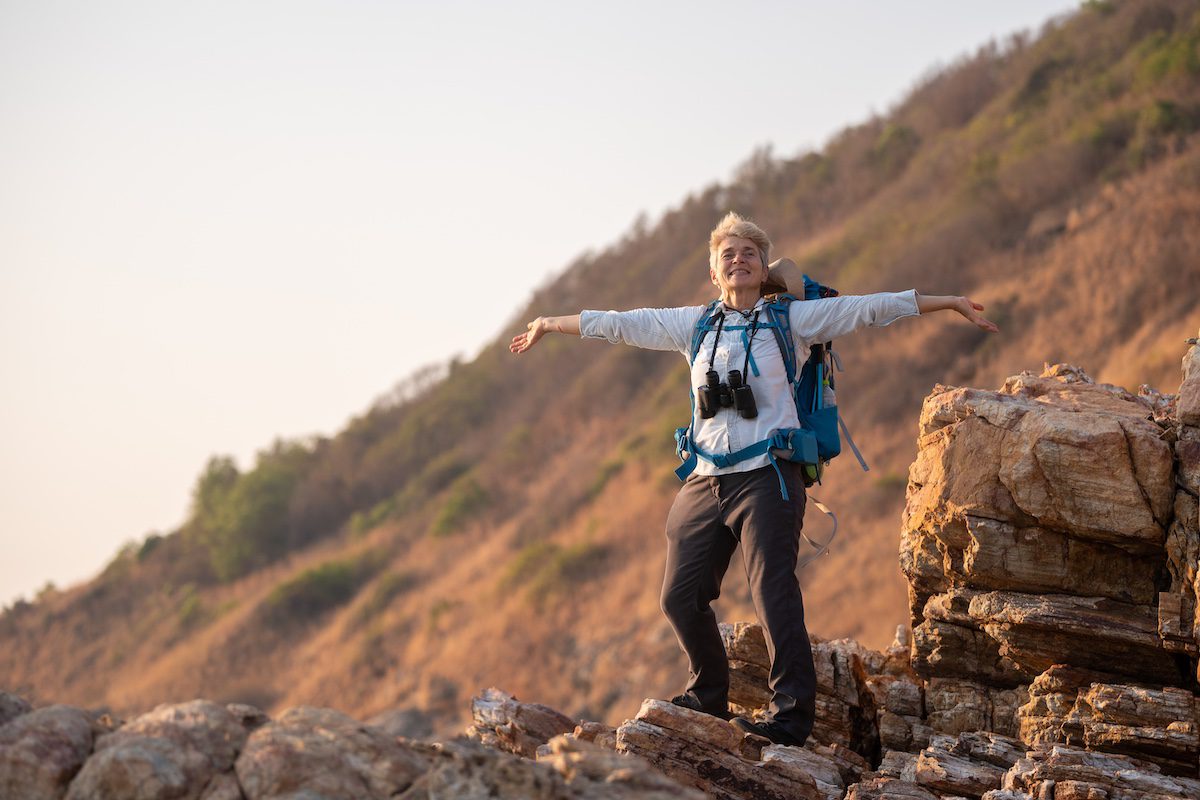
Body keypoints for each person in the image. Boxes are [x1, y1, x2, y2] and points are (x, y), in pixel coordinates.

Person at [509, 211, 997, 747]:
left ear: (763, 268)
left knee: (772, 590)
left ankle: (789, 719)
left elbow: (869, 309)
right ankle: (707, 696)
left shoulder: (794, 321)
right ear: (714, 271)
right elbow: (621, 323)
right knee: (679, 596)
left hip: (770, 475)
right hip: (704, 479)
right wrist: (552, 324)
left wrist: (945, 301)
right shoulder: (691, 324)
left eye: (749, 253)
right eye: (728, 254)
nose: (738, 260)